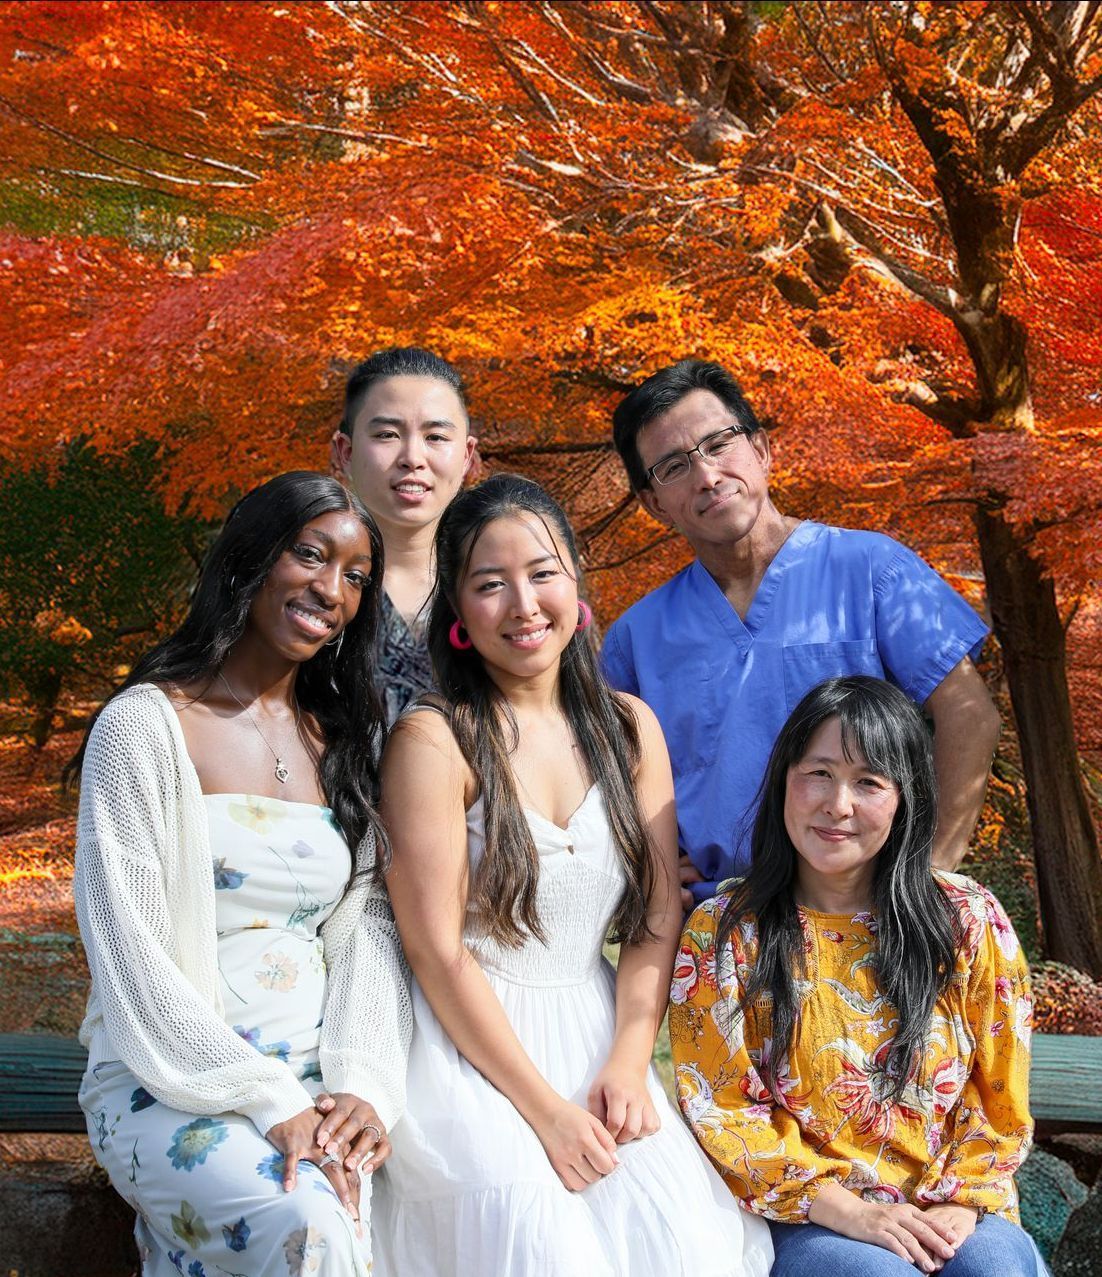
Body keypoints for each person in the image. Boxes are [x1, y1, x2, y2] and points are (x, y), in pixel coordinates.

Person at [371, 474, 773, 1276]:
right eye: (490, 584)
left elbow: (658, 914)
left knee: (685, 1241)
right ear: (458, 608)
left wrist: (628, 1057)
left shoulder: (628, 727)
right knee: (544, 1248)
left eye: (542, 573)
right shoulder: (435, 738)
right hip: (469, 1049)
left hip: (595, 1030)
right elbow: (437, 951)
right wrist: (545, 1110)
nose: (523, 604)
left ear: (576, 581)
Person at [71, 472, 412, 1276]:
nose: (331, 588)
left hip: (318, 1073)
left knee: (413, 1202)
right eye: (310, 554)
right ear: (251, 557)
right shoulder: (144, 727)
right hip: (171, 1076)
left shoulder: (345, 745)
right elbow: (131, 956)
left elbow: (366, 930)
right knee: (311, 1224)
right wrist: (269, 1100)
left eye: (356, 576)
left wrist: (362, 1086)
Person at [671, 675, 1044, 1277]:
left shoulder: (966, 917)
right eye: (818, 773)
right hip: (808, 1216)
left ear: (904, 799)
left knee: (993, 1269)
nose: (837, 804)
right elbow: (724, 1111)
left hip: (953, 1203)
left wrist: (963, 1199)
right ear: (784, 780)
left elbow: (1000, 1091)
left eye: (868, 782)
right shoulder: (726, 931)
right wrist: (848, 1211)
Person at [601, 359, 1000, 908]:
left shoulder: (872, 571)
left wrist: (928, 875)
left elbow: (969, 712)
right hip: (715, 933)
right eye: (673, 467)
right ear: (654, 505)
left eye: (719, 444)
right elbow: (599, 780)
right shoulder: (635, 640)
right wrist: (644, 858)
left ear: (761, 450)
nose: (707, 475)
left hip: (868, 915)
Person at [330, 346, 478, 723]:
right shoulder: (306, 586)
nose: (413, 457)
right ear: (345, 453)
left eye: (436, 437)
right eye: (387, 434)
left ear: (466, 456)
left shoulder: (506, 586)